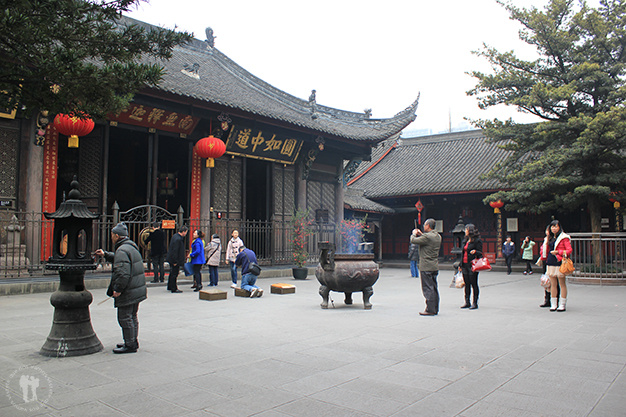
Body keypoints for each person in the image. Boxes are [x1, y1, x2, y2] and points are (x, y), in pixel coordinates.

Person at [95, 222, 146, 354]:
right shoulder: (130, 247)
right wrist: (105, 254)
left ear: (117, 236)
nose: (111, 237)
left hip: (129, 290)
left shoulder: (122, 250)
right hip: (136, 288)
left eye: (112, 235)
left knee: (124, 317)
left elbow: (122, 272)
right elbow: (121, 260)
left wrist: (118, 289)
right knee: (132, 315)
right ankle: (132, 341)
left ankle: (130, 345)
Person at [410, 218, 442, 316]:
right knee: (434, 287)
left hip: (426, 266)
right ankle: (435, 308)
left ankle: (430, 309)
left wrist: (414, 233)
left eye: (424, 225)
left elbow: (413, 240)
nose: (423, 226)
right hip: (434, 265)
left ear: (428, 226)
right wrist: (421, 234)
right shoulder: (437, 236)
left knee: (428, 288)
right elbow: (427, 238)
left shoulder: (427, 237)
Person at [546, 220, 572, 312]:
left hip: (559, 261)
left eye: (556, 226)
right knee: (553, 284)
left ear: (559, 227)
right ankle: (553, 304)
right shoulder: (550, 237)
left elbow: (569, 250)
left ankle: (562, 304)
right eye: (552, 226)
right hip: (550, 261)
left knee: (562, 284)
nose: (554, 228)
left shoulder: (564, 237)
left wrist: (558, 252)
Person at [458, 223, 483, 310]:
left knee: (474, 283)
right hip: (464, 264)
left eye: (466, 229)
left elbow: (481, 253)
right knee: (467, 284)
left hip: (472, 265)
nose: (465, 231)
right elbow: (462, 253)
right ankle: (467, 301)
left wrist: (475, 251)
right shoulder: (465, 241)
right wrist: (460, 264)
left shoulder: (477, 241)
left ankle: (475, 302)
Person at [166, 226, 188, 293]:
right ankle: (173, 288)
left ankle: (170, 285)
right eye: (186, 232)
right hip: (175, 259)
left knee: (172, 272)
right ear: (183, 232)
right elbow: (175, 251)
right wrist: (175, 261)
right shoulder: (178, 239)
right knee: (174, 273)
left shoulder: (175, 236)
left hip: (172, 259)